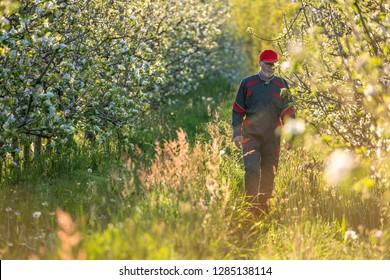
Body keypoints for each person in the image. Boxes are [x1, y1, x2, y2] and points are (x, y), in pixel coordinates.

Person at [232, 49, 295, 216]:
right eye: (268, 63)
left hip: (272, 136)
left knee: (269, 171)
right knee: (252, 169)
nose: (271, 67)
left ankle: (263, 208)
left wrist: (291, 135)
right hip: (250, 135)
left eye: (273, 64)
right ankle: (249, 207)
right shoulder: (247, 83)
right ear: (260, 63)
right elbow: (238, 110)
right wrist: (237, 133)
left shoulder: (282, 84)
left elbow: (288, 112)